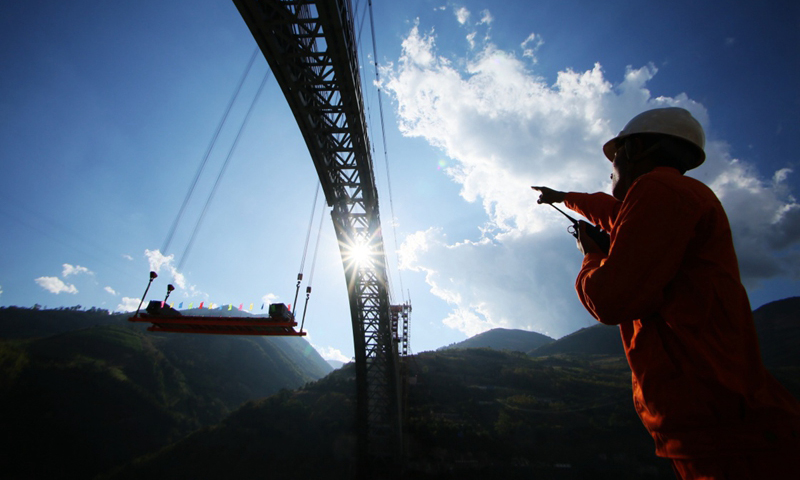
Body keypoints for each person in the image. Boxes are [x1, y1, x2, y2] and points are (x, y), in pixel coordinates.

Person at [532, 107, 800, 479]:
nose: (610, 170)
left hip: (728, 440)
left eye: (614, 159)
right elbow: (614, 213)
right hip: (719, 431)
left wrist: (591, 256)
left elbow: (610, 300)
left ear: (636, 148)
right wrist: (564, 197)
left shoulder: (659, 190)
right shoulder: (673, 195)